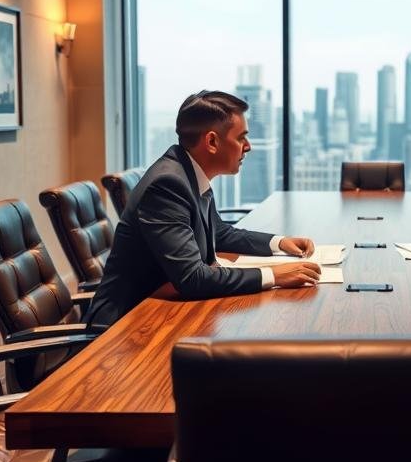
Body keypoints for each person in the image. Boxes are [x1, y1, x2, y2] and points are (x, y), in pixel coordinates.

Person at [89, 90, 320, 326]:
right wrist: (274, 275)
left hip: (162, 310)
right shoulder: (168, 184)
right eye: (241, 138)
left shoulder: (190, 172)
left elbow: (219, 233)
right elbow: (192, 278)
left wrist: (279, 243)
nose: (248, 146)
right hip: (125, 325)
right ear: (211, 142)